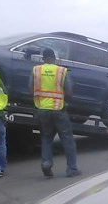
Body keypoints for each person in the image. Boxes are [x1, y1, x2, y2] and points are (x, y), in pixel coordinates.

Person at [29, 48, 80, 178]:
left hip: (42, 110)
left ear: (43, 58)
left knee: (46, 138)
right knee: (67, 139)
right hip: (59, 110)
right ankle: (72, 169)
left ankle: (46, 163)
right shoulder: (61, 71)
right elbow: (68, 92)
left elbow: (31, 90)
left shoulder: (36, 70)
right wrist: (66, 102)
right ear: (54, 58)